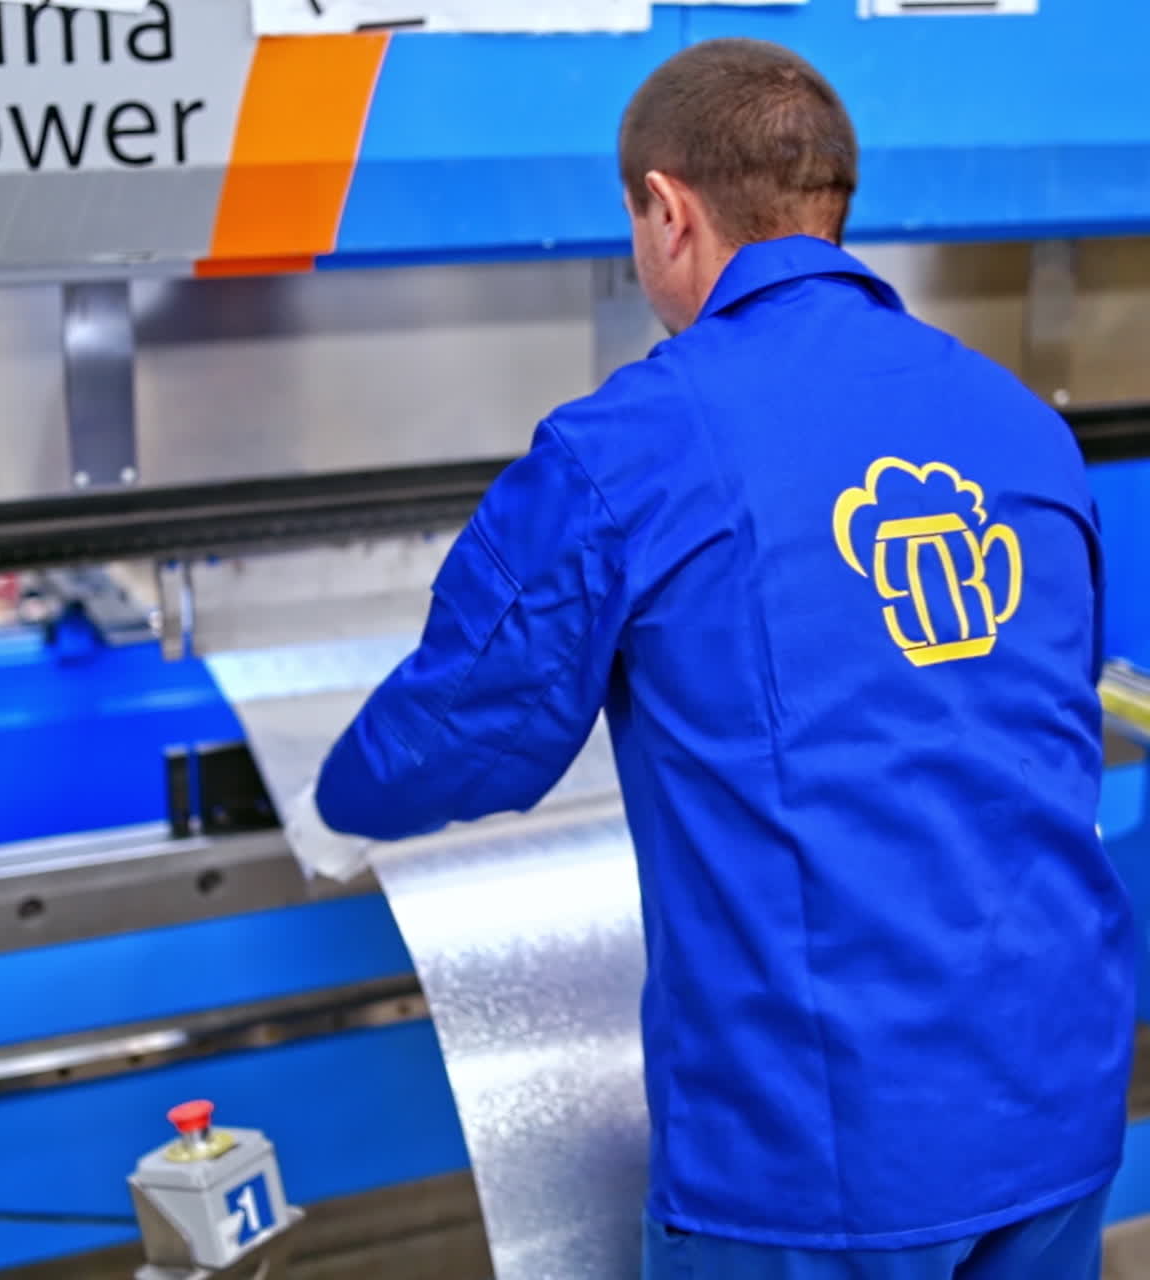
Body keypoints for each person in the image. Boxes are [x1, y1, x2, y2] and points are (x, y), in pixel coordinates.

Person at [289, 37, 1136, 1280]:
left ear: (667, 209)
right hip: (1055, 1101)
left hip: (816, 1155)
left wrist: (325, 800)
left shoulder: (627, 443)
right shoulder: (1018, 422)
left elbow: (467, 732)